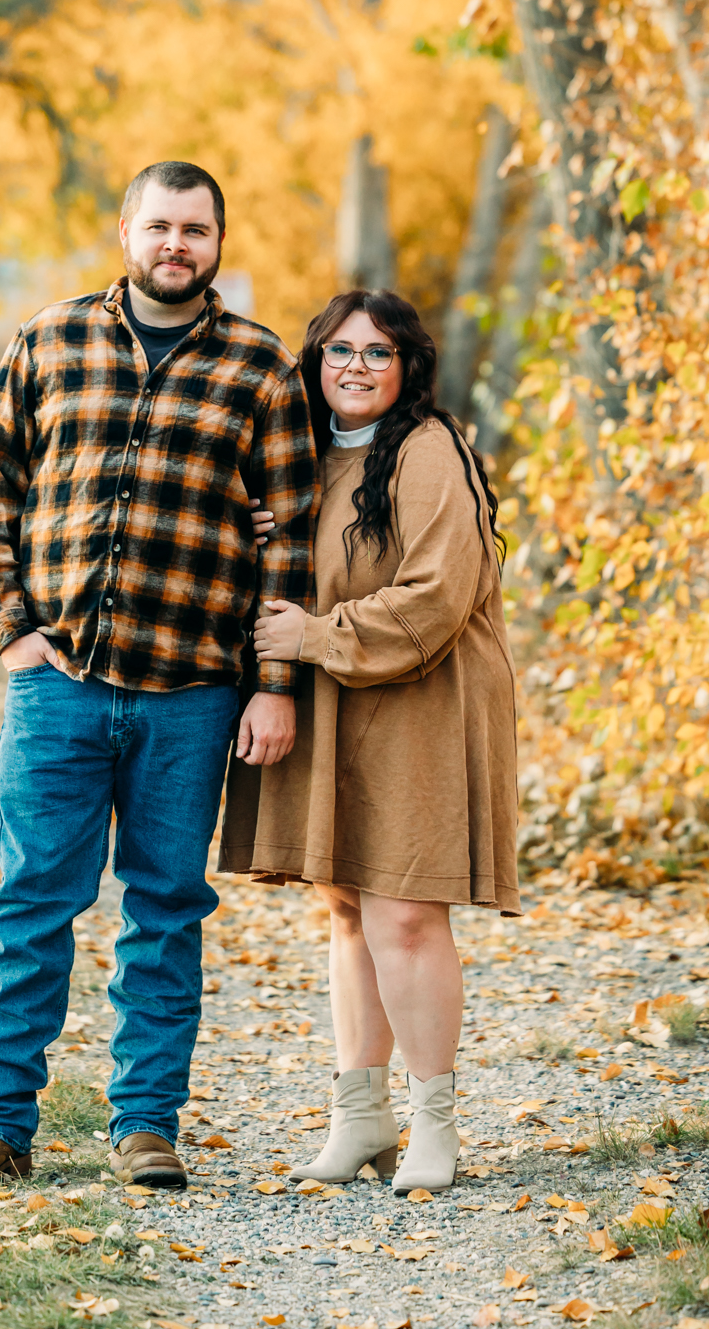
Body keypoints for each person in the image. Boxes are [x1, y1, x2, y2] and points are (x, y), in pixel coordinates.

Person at [0, 160, 317, 1194]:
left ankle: (146, 1125)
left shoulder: (261, 369)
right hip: (58, 682)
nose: (175, 244)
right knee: (29, 904)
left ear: (219, 242)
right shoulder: (50, 340)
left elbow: (294, 540)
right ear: (126, 231)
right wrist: (11, 628)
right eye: (159, 225)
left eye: (195, 228)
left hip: (192, 692)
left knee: (166, 912)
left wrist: (274, 681)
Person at [221, 287, 519, 1195]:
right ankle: (361, 1117)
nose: (356, 367)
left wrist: (313, 637)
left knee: (405, 911)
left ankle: (434, 1124)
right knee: (346, 907)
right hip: (342, 702)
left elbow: (435, 595)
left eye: (377, 353)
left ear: (407, 368)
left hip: (423, 697)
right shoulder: (308, 458)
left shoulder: (430, 452)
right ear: (315, 366)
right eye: (339, 351)